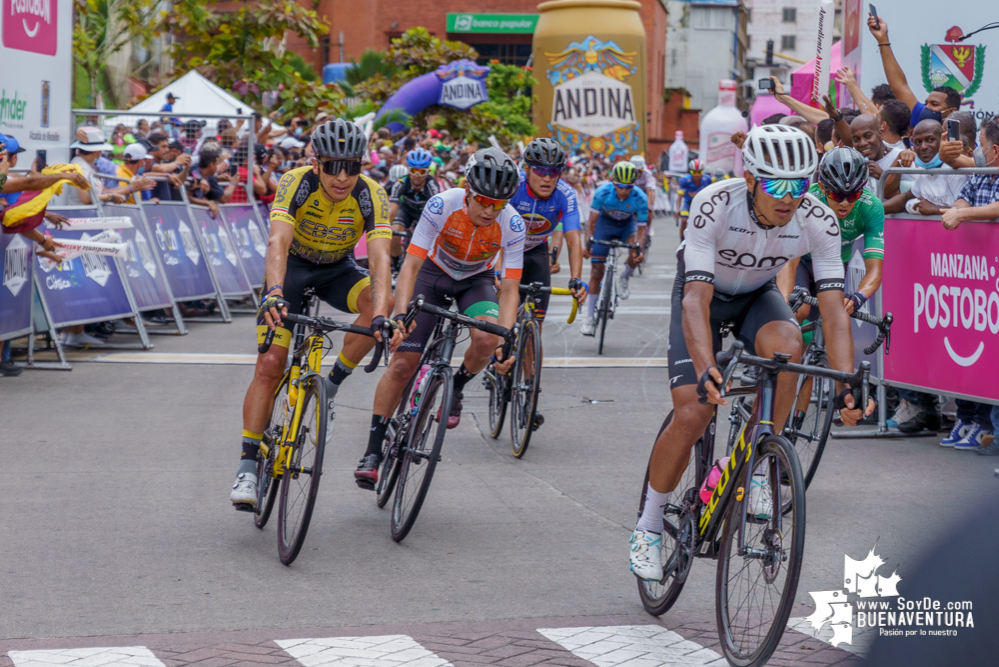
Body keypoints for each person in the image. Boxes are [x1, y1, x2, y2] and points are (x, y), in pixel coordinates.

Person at [629, 125, 875, 581]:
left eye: (799, 185)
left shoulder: (818, 220)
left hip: (756, 295)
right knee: (692, 413)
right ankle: (648, 526)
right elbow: (695, 301)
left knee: (789, 346)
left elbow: (834, 313)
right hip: (703, 293)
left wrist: (847, 383)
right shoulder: (714, 203)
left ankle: (760, 458)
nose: (789, 197)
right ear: (750, 180)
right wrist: (705, 368)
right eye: (777, 185)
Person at [230, 118, 397, 509]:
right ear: (316, 162)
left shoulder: (374, 194)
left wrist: (382, 316)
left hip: (338, 269)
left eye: (352, 167)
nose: (342, 177)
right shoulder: (296, 182)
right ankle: (248, 466)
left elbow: (379, 261)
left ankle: (332, 385)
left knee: (376, 305)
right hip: (292, 270)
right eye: (333, 166)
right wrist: (273, 292)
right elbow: (278, 240)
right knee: (271, 364)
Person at [354, 148, 524, 487]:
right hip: (432, 273)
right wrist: (400, 313)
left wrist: (506, 338)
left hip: (475, 282)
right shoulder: (441, 204)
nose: (490, 211)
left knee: (488, 338)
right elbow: (412, 265)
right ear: (467, 191)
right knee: (403, 364)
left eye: (498, 204)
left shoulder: (513, 223)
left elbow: (508, 288)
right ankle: (373, 451)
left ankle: (456, 386)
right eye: (483, 201)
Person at [510, 137, 587, 326]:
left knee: (535, 325)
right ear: (526, 169)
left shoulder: (566, 194)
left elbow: (574, 239)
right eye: (539, 170)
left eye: (553, 171)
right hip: (508, 251)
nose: (547, 178)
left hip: (537, 252)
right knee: (504, 323)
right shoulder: (513, 185)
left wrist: (576, 279)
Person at [580, 161, 647, 335]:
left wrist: (639, 250)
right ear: (613, 182)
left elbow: (641, 229)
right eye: (620, 186)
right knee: (596, 272)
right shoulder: (602, 192)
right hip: (605, 224)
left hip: (626, 225)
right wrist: (588, 244)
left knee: (636, 249)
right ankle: (588, 318)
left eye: (628, 187)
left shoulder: (640, 197)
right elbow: (591, 223)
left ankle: (625, 276)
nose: (624, 190)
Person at [867, 15, 962, 129]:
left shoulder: (962, 140)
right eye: (926, 103)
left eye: (934, 104)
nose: (927, 108)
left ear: (951, 112)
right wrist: (883, 40)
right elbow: (899, 85)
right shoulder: (920, 116)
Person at [883, 120, 968, 216]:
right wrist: (874, 210)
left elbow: (966, 211)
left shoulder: (954, 171)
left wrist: (934, 209)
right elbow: (905, 198)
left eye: (930, 140)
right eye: (918, 142)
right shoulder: (925, 171)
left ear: (943, 141)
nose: (923, 147)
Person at [388, 147, 441, 266]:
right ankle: (396, 265)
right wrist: (383, 229)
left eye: (421, 172)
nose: (417, 175)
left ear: (427, 171)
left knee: (424, 240)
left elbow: (437, 214)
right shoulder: (401, 183)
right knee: (394, 233)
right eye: (413, 170)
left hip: (424, 213)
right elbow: (392, 209)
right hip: (406, 210)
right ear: (408, 169)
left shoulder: (432, 186)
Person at [66, 127, 134, 206]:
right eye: (100, 150)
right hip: (83, 214)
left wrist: (130, 188)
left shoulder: (87, 165)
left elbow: (103, 190)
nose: (101, 153)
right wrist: (110, 197)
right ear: (96, 151)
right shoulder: (81, 167)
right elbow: (85, 198)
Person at [850, 114, 908, 198]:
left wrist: (883, 175)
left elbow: (909, 197)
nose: (862, 143)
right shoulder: (853, 158)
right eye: (856, 140)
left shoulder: (899, 157)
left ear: (880, 134)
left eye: (868, 136)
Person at [675, 159, 713, 239]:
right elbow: (680, 196)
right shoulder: (685, 180)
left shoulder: (707, 179)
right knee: (684, 220)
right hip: (688, 202)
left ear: (702, 172)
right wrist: (677, 209)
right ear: (690, 172)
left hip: (701, 203)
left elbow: (711, 194)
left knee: (704, 222)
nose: (696, 175)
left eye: (699, 172)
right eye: (693, 172)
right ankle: (682, 241)